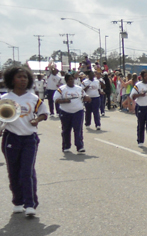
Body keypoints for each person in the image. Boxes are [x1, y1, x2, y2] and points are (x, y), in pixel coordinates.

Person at [2, 66, 48, 217]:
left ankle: (30, 204)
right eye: (19, 77)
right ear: (11, 80)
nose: (23, 80)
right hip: (11, 138)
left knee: (27, 171)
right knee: (13, 171)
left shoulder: (33, 98)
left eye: (25, 77)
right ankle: (18, 202)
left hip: (29, 138)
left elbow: (43, 113)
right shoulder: (5, 99)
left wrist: (37, 119)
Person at [55, 72, 88, 153]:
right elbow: (56, 100)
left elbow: (85, 96)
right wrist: (64, 100)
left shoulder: (79, 88)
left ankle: (79, 146)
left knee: (78, 129)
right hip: (65, 112)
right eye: (69, 79)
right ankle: (66, 146)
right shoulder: (61, 89)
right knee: (66, 129)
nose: (71, 81)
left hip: (78, 111)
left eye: (72, 79)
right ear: (66, 81)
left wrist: (87, 98)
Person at [131, 70, 147, 147]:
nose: (146, 77)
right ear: (142, 77)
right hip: (141, 107)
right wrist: (139, 95)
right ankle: (140, 141)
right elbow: (132, 96)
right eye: (145, 76)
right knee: (141, 124)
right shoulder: (138, 85)